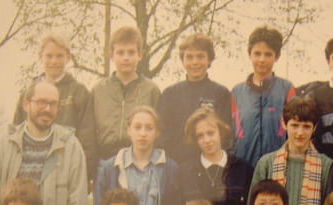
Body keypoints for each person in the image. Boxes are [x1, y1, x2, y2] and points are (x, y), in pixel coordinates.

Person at [91, 106, 181, 205]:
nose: (143, 133)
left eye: (149, 128)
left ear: (157, 132)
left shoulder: (169, 168)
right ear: (128, 130)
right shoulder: (110, 168)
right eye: (137, 127)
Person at [78, 26, 161, 183]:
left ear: (140, 55)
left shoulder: (151, 90)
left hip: (140, 162)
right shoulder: (98, 90)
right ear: (111, 55)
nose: (126, 58)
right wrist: (90, 169)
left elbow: (158, 131)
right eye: (120, 53)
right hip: (104, 162)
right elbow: (89, 133)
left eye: (131, 52)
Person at [244, 96, 333, 205]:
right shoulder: (267, 163)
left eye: (306, 126)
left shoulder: (326, 165)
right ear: (284, 124)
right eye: (294, 125)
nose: (300, 133)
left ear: (315, 128)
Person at [12, 33, 92, 164]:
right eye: (49, 56)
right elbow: (16, 131)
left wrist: (85, 169)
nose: (54, 61)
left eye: (59, 56)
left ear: (68, 57)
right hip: (32, 161)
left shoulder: (79, 91)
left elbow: (87, 137)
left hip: (66, 162)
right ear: (40, 56)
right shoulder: (28, 93)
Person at [180, 106, 253, 205]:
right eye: (200, 136)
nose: (206, 140)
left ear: (221, 132)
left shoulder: (243, 169)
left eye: (211, 133)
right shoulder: (185, 173)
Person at [158, 33, 233, 165]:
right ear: (182, 60)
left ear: (209, 60)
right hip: (178, 165)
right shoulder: (169, 94)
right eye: (189, 57)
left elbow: (226, 135)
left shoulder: (221, 93)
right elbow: (163, 135)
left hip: (210, 164)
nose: (195, 62)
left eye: (200, 56)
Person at [232, 26, 296, 167]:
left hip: (277, 165)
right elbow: (230, 132)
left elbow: (295, 129)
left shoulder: (286, 89)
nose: (262, 59)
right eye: (257, 53)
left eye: (268, 54)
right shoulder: (236, 92)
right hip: (243, 166)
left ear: (277, 57)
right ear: (249, 54)